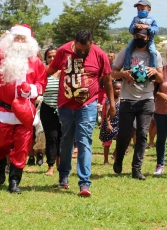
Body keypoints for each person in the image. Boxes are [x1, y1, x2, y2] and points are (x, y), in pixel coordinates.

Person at [0, 14, 47, 194]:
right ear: (10, 40)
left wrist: (32, 89)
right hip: (4, 110)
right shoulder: (1, 57)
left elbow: (41, 83)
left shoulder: (36, 63)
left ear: (29, 42)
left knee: (22, 147)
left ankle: (15, 180)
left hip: (25, 112)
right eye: (16, 37)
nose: (19, 41)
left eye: (22, 38)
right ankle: (1, 161)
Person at [46, 30, 115, 197]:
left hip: (88, 105)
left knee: (84, 140)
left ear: (92, 42)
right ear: (74, 42)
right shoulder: (63, 51)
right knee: (66, 141)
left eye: (86, 50)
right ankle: (63, 175)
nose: (82, 52)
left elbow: (107, 81)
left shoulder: (99, 54)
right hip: (66, 104)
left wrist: (112, 104)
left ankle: (84, 182)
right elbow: (50, 70)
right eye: (79, 49)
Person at [111, 28, 163, 180]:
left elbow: (160, 79)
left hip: (147, 99)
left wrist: (154, 73)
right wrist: (123, 74)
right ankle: (119, 157)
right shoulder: (126, 52)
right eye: (136, 36)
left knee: (142, 135)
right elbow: (112, 73)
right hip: (127, 99)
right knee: (124, 134)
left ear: (148, 37)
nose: (138, 38)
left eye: (142, 36)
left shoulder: (155, 55)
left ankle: (136, 169)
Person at [40, 46, 62, 176]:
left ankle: (61, 163)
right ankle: (51, 166)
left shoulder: (65, 71)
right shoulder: (43, 72)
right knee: (51, 137)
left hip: (64, 109)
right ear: (46, 59)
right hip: (47, 108)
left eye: (55, 56)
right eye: (49, 56)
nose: (52, 58)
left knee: (62, 137)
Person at [125, 0, 158, 71]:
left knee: (153, 52)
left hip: (149, 40)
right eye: (138, 9)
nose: (140, 11)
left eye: (142, 9)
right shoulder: (135, 18)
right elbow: (130, 29)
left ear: (149, 9)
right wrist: (135, 26)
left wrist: (148, 27)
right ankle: (126, 68)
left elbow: (155, 30)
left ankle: (153, 69)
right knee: (128, 49)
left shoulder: (152, 19)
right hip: (136, 38)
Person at [99, 81, 121, 165]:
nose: (119, 91)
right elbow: (107, 113)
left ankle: (115, 154)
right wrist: (108, 124)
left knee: (121, 140)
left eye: (120, 89)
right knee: (107, 143)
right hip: (110, 123)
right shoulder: (109, 100)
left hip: (119, 123)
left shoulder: (121, 99)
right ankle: (106, 160)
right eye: (117, 89)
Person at [152, 64, 167, 175]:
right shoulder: (161, 72)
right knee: (161, 139)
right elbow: (152, 92)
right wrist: (161, 95)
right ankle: (160, 165)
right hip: (161, 112)